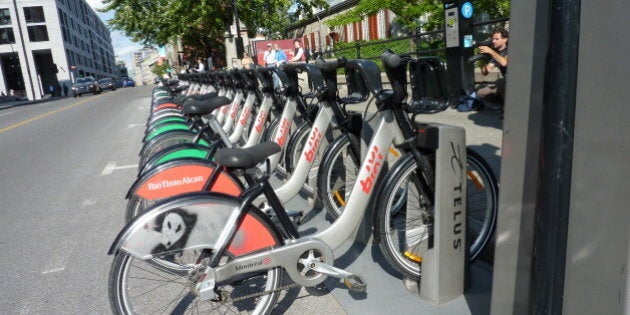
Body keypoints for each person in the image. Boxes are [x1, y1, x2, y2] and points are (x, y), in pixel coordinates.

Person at [476, 28, 508, 107]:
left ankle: (508, 107)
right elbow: (485, 72)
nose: (493, 41)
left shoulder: (511, 49)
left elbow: (505, 63)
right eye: (493, 39)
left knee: (501, 82)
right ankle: (503, 104)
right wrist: (481, 59)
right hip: (505, 83)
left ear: (505, 39)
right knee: (481, 93)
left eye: (496, 39)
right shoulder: (496, 53)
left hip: (515, 81)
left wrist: (490, 51)